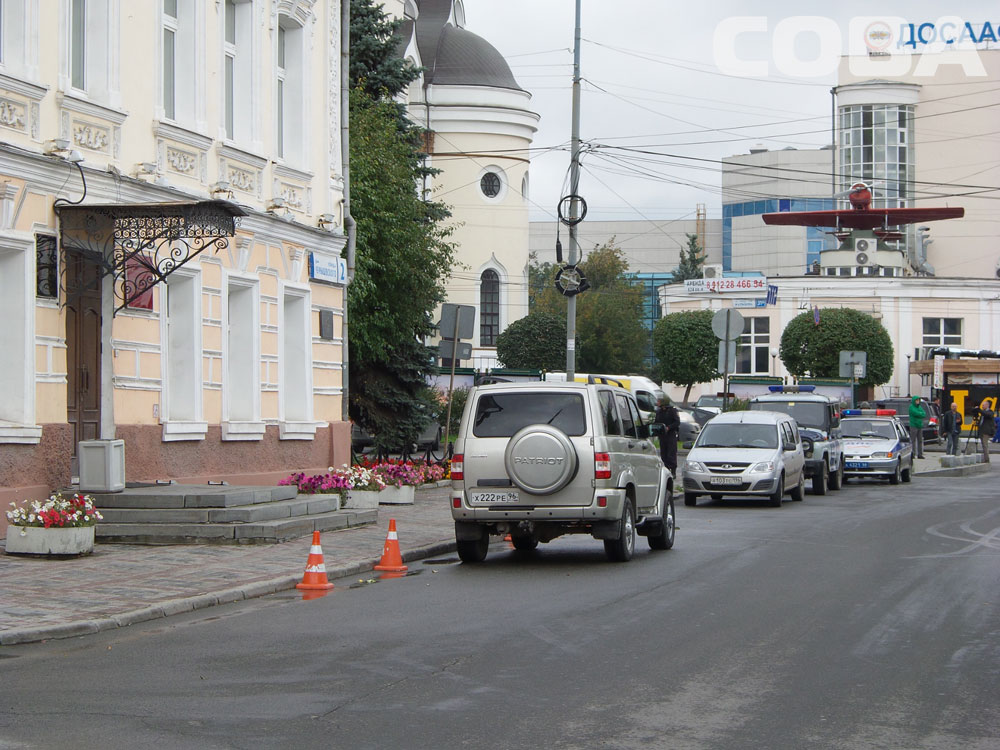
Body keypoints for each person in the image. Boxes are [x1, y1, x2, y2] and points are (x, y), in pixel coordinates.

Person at [655, 395, 680, 476]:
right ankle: (666, 469)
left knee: (671, 453)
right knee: (663, 453)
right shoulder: (659, 412)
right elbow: (656, 422)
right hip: (662, 435)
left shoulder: (672, 411)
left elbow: (677, 422)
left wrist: (669, 427)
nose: (657, 403)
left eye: (659, 401)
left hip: (671, 435)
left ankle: (673, 470)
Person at [908, 395, 926, 459]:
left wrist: (920, 414)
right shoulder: (911, 407)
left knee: (920, 440)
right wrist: (920, 414)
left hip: (919, 425)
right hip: (913, 425)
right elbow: (915, 413)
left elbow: (924, 414)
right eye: (916, 400)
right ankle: (913, 453)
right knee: (913, 440)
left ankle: (920, 454)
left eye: (918, 400)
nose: (918, 401)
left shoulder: (919, 407)